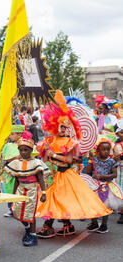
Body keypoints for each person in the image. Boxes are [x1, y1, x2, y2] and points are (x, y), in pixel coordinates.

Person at [35, 90, 112, 238]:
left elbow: (69, 160)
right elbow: (44, 162)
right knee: (55, 200)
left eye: (65, 127)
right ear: (53, 126)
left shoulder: (69, 142)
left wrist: (55, 155)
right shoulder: (48, 141)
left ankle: (50, 226)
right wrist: (46, 152)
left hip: (64, 175)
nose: (63, 129)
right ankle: (66, 225)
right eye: (60, 126)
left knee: (60, 200)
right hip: (52, 176)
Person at [4, 131, 49, 246]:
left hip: (31, 190)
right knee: (16, 212)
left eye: (26, 150)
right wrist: (13, 195)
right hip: (20, 189)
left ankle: (33, 237)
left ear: (31, 150)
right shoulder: (17, 163)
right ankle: (28, 228)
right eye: (21, 150)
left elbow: (41, 179)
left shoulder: (36, 163)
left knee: (30, 214)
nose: (23, 152)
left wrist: (43, 193)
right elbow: (17, 180)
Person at [85, 138, 121, 233]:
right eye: (103, 149)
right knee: (91, 204)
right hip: (94, 185)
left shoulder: (111, 161)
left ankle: (104, 225)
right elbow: (88, 171)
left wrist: (102, 176)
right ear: (97, 151)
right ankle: (94, 223)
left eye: (107, 149)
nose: (106, 151)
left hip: (106, 185)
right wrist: (90, 160)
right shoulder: (94, 160)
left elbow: (114, 174)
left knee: (105, 205)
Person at [2, 125, 24, 217]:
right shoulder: (8, 145)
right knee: (9, 190)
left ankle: (19, 209)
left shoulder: (25, 144)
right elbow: (6, 158)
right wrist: (16, 158)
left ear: (19, 134)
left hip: (21, 171)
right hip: (9, 172)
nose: (10, 136)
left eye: (12, 134)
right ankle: (10, 208)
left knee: (20, 190)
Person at [114, 126, 123, 223]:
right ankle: (121, 214)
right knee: (121, 191)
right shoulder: (117, 145)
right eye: (121, 132)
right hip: (120, 172)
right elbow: (119, 157)